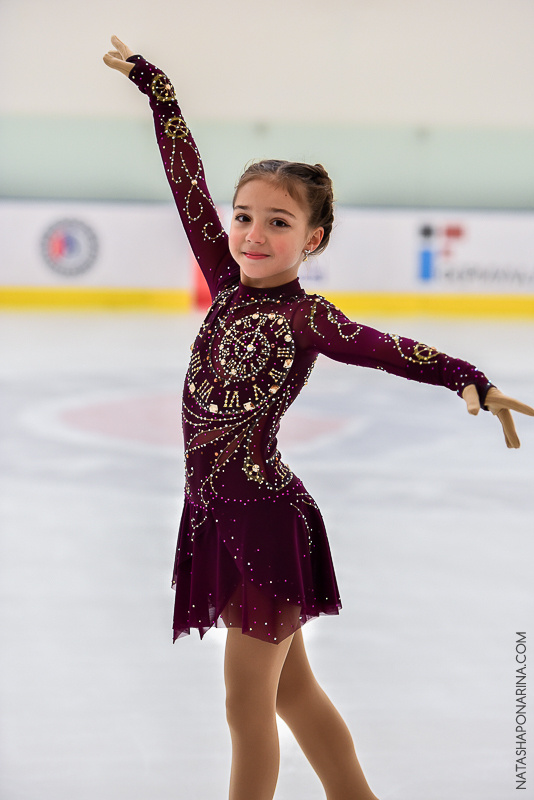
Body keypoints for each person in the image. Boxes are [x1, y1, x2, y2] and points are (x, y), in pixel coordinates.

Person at [103, 35, 534, 800]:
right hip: (217, 512)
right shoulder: (225, 280)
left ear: (315, 238)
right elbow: (186, 183)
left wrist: (466, 377)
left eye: (277, 222)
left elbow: (384, 346)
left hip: (264, 520)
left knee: (247, 704)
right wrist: (160, 94)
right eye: (244, 218)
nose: (253, 234)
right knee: (292, 694)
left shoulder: (307, 319)